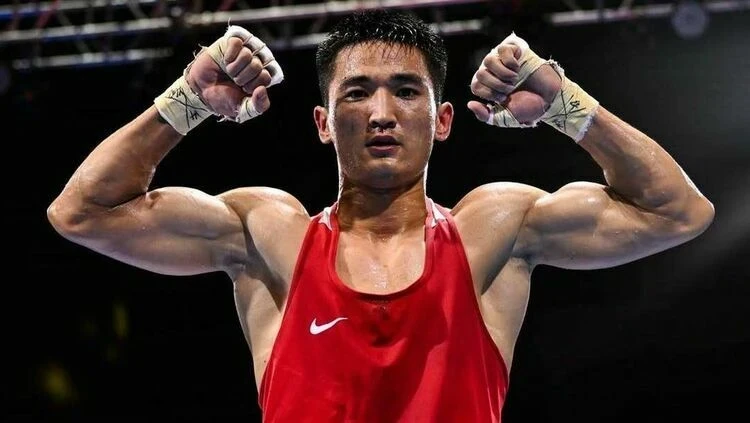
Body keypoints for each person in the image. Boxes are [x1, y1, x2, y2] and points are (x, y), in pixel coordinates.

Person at [46, 9, 714, 422]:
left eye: (406, 92)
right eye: (357, 93)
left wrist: (567, 105)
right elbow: (82, 212)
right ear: (323, 123)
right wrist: (186, 101)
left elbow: (677, 212)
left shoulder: (494, 230)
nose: (382, 114)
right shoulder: (268, 234)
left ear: (443, 120)